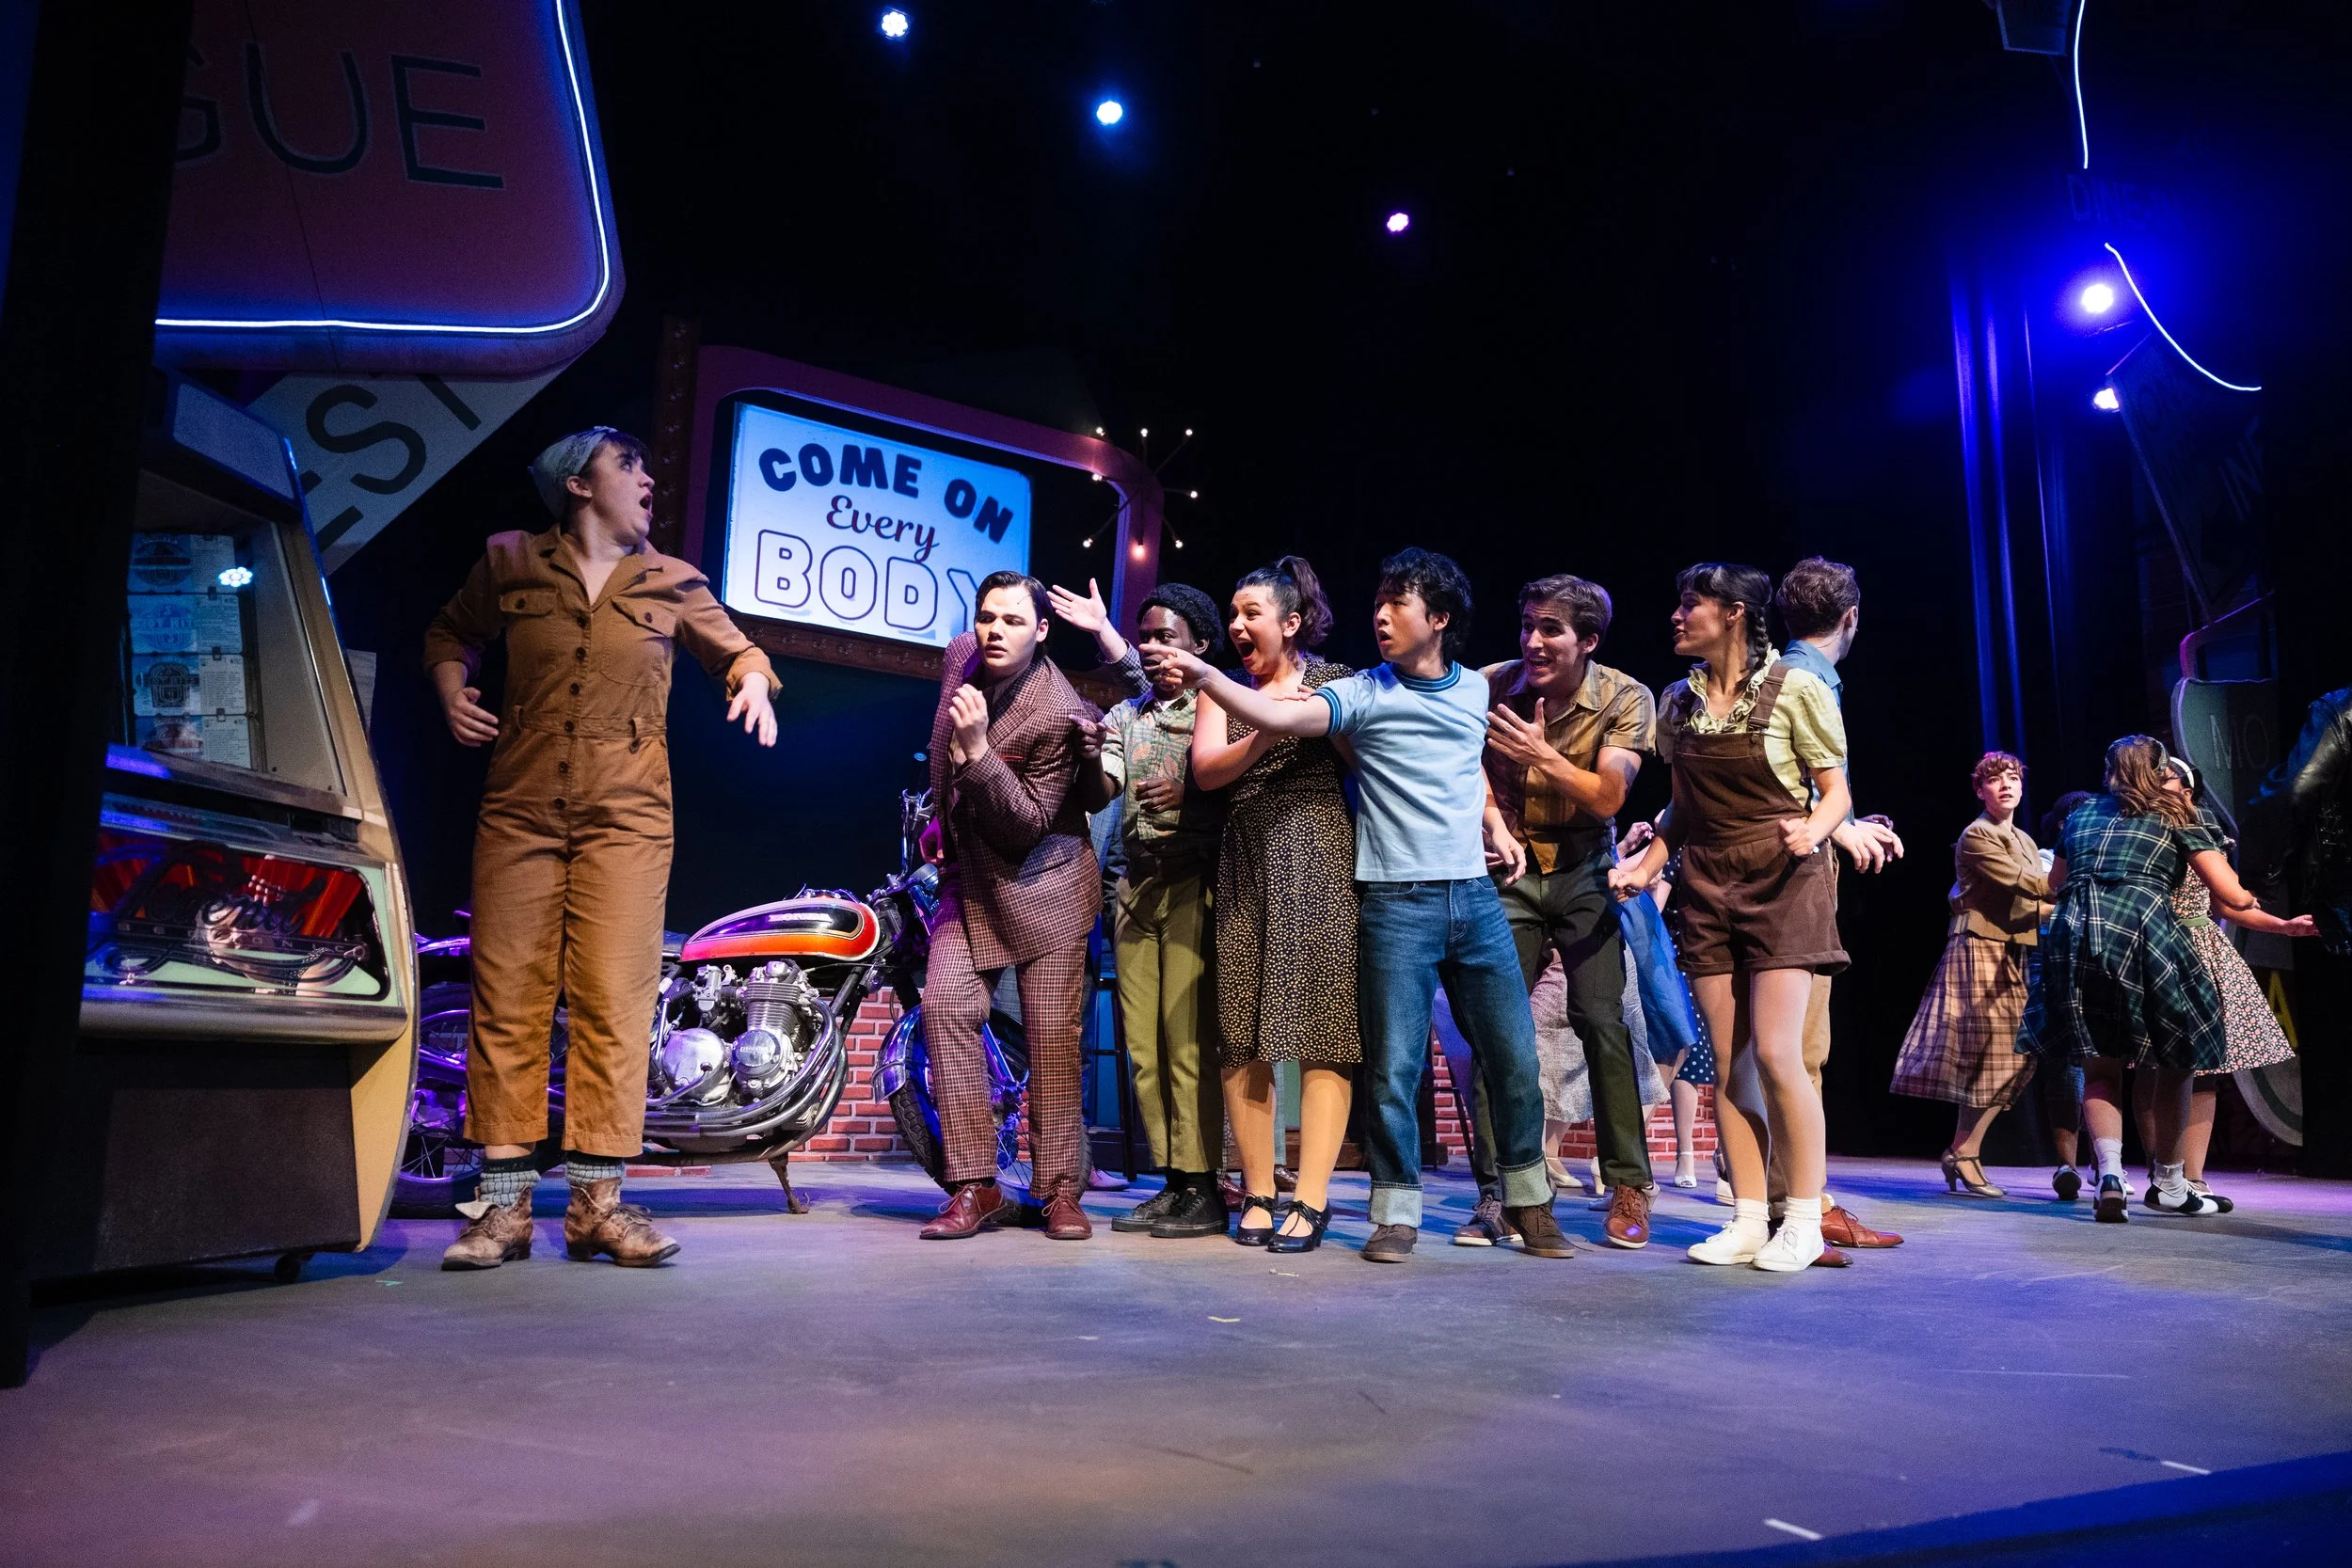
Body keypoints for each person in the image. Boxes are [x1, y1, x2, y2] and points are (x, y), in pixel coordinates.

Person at [1152, 548, 1569, 1264]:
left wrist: (1494, 821)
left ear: (1437, 619)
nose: (1380, 614)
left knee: (1513, 1056)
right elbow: (1259, 728)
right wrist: (1214, 679)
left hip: (1460, 892)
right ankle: (1391, 1211)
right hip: (1384, 895)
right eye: (1377, 602)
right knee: (1387, 1066)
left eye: (1397, 603)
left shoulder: (1475, 687)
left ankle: (1531, 1203)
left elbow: (1463, 757)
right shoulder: (1362, 690)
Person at [427, 427, 779, 1271]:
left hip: (627, 819)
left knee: (612, 1003)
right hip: (519, 811)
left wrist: (755, 682)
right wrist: (451, 691)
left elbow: (739, 651)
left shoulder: (672, 580)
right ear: (579, 483)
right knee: (506, 997)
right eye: (631, 466)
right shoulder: (512, 561)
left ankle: (596, 1206)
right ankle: (503, 1212)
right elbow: (449, 634)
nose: (649, 479)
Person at [1611, 563, 1851, 1272]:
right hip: (1708, 882)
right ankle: (1748, 1217)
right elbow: (1683, 808)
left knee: (1778, 1053)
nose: (1678, 616)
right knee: (1730, 1065)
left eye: (1693, 604)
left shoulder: (1795, 689)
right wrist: (1645, 867)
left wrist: (1814, 828)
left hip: (1782, 876)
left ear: (1736, 613)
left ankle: (1803, 1218)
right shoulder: (1677, 704)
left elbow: (1837, 791)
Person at [1472, 574, 1661, 1249]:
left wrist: (1539, 754)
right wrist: (1494, 819)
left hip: (1585, 869)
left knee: (1601, 1020)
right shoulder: (1490, 684)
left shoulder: (1624, 695)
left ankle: (1629, 1182)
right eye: (1527, 625)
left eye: (1550, 629)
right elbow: (1461, 770)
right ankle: (1500, 1190)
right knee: (1498, 1029)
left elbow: (1609, 796)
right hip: (1511, 868)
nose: (1533, 641)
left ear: (1588, 639)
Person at [915, 572, 1104, 1242]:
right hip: (971, 877)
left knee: (1053, 1042)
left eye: (1014, 621)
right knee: (944, 1006)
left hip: (1044, 884)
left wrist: (978, 752)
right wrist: (940, 814)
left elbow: (1027, 822)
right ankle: (975, 1184)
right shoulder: (961, 653)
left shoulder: (1057, 709)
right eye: (988, 616)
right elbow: (941, 749)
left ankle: (1059, 1191)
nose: (995, 631)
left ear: (1043, 630)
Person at [1184, 558, 1358, 1252]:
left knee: (1323, 1025)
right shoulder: (1224, 690)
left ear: (1290, 622)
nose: (1236, 624)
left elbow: (1358, 750)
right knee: (1242, 1027)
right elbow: (1205, 769)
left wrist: (1302, 718)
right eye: (1233, 613)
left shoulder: (1334, 680)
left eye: (1251, 611)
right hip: (1247, 853)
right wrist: (1266, 727)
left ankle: (1311, 1197)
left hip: (1316, 847)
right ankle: (1258, 1188)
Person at [2018, 736, 2265, 1222]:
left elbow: (2054, 885)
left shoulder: (2084, 813)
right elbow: (2230, 896)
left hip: (2077, 935)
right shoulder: (2176, 812)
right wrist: (2262, 900)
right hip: (2142, 931)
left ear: (2108, 770)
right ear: (2156, 771)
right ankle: (2172, 1183)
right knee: (2177, 1057)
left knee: (2100, 1063)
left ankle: (2110, 1175)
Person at [1070, 581, 1232, 1239]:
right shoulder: (1124, 716)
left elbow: (1239, 788)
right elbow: (1102, 787)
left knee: (1187, 1038)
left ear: (1200, 644)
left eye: (1169, 636)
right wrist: (1086, 759)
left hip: (1196, 880)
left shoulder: (1218, 709)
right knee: (1145, 1046)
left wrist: (1194, 797)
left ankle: (1204, 1183)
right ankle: (1173, 1181)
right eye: (1148, 636)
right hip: (1137, 888)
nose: (1156, 647)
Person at [1767, 557, 1904, 1252]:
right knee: (1801, 1049)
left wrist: (1847, 823)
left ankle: (1795, 1198)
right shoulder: (1807, 680)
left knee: (1791, 1049)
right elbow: (1799, 783)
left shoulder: (1781, 674)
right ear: (1851, 618)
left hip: (1794, 859)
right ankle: (1801, 1204)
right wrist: (1839, 823)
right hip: (1796, 874)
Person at [2126, 758, 2315, 1211]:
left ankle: (2194, 1177)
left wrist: (2283, 926)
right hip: (2155, 946)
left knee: (2206, 1069)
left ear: (2188, 790)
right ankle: (2162, 1171)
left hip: (2204, 949)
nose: (2156, 784)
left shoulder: (2204, 832)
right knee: (2152, 1065)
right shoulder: (2137, 832)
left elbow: (2228, 905)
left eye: (2165, 778)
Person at [1887, 752, 2054, 1197]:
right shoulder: (1977, 834)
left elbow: (2037, 899)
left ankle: (1963, 1150)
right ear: (1980, 790)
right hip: (1979, 950)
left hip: (2013, 951)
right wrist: (2073, 868)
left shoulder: (2022, 837)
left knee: (2010, 1056)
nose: (2006, 785)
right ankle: (1965, 1153)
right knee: (2000, 1051)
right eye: (1995, 780)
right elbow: (2029, 885)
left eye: (2013, 777)